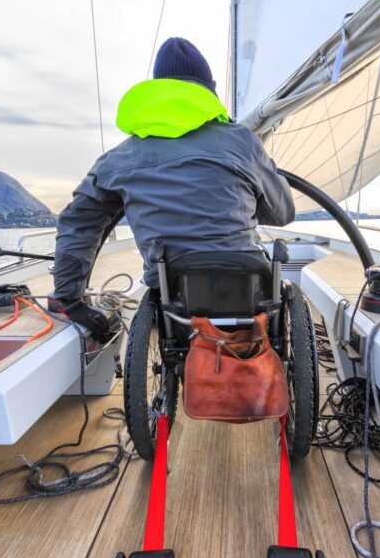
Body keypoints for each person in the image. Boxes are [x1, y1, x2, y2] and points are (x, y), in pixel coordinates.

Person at [52, 37, 295, 340]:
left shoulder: (120, 158)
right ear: (210, 89)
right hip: (246, 292)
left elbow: (78, 222)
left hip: (173, 299)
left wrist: (69, 298)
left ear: (156, 89)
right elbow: (283, 212)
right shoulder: (243, 143)